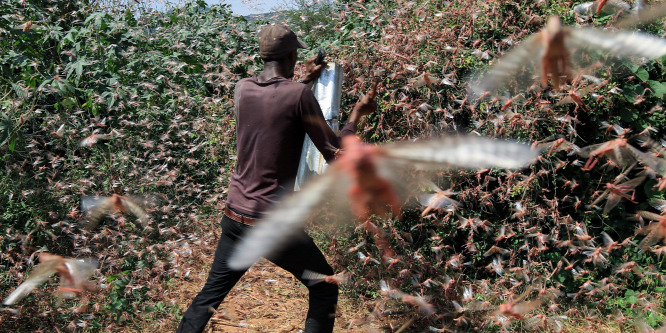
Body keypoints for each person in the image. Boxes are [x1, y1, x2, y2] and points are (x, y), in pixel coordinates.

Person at [176, 24, 376, 333]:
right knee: (324, 286)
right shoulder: (297, 95)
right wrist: (356, 116)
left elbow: (275, 107)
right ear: (292, 55)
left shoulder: (242, 88)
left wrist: (305, 80)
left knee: (209, 297)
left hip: (235, 216)